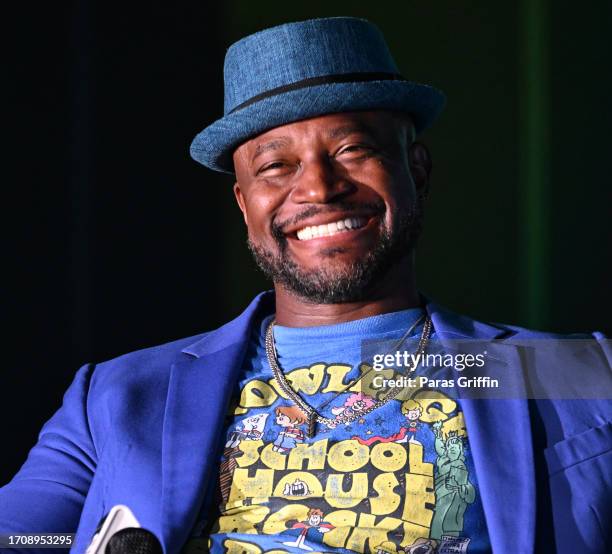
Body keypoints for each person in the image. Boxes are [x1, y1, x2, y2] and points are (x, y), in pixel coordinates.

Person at [0, 16, 610, 554]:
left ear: (416, 171)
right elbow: (23, 536)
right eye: (276, 166)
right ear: (245, 203)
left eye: (352, 150)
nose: (318, 189)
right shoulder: (120, 395)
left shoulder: (569, 373)